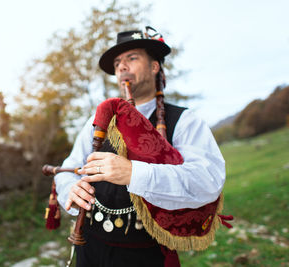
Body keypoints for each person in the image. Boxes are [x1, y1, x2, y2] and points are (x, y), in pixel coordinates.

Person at [54, 26, 225, 267]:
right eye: (117, 63)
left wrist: (133, 173)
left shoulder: (184, 121)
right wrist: (71, 189)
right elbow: (69, 167)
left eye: (132, 58)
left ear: (154, 66)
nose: (121, 67)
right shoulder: (98, 120)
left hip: (145, 254)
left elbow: (208, 181)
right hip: (90, 248)